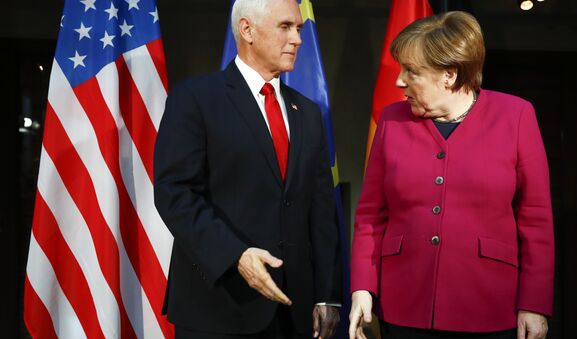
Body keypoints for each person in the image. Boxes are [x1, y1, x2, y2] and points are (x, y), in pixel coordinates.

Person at [349, 11, 554, 339]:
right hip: (404, 306)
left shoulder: (516, 116)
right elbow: (371, 216)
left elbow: (536, 220)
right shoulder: (391, 120)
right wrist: (362, 288)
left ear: (449, 74)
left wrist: (535, 303)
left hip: (489, 306)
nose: (399, 81)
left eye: (412, 71)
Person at [153, 0, 341, 338]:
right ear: (247, 29)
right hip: (219, 307)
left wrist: (328, 295)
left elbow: (321, 210)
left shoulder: (308, 113)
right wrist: (235, 255)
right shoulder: (196, 98)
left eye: (298, 28)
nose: (298, 39)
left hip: (294, 312)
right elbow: (175, 194)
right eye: (286, 27)